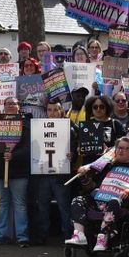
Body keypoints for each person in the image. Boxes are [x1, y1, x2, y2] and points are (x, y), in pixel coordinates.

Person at [65, 136, 129, 252]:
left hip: (123, 202)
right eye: (119, 148)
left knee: (114, 201)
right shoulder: (108, 165)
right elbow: (92, 187)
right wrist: (85, 178)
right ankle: (79, 235)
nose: (121, 151)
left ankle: (103, 237)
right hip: (100, 199)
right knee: (78, 200)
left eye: (126, 149)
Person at [0, 97, 32, 246]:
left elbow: (28, 150)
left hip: (19, 173)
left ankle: (22, 237)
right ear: (4, 107)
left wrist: (14, 155)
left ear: (19, 107)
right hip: (0, 172)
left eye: (14, 104)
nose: (11, 106)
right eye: (9, 104)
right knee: (3, 203)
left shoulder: (25, 127)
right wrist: (1, 158)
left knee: (19, 203)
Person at [33, 100, 76, 244]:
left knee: (64, 206)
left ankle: (67, 236)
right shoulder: (38, 128)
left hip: (61, 174)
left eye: (55, 110)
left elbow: (76, 148)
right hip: (43, 174)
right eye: (49, 110)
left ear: (61, 111)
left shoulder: (69, 127)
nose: (52, 113)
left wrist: (72, 154)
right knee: (42, 206)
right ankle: (42, 235)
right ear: (46, 112)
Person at [78, 95, 125, 163]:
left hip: (109, 166)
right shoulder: (85, 125)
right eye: (95, 107)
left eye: (102, 106)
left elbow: (123, 146)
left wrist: (109, 150)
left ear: (107, 107)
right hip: (89, 166)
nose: (98, 109)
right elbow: (80, 145)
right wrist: (80, 149)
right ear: (91, 108)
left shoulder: (116, 124)